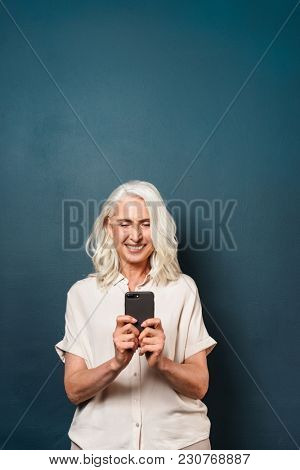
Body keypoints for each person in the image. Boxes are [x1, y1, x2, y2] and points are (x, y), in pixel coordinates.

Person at [55, 180, 217, 450]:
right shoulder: (81, 294)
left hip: (180, 445)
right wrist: (116, 362)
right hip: (98, 447)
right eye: (125, 224)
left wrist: (162, 363)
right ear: (110, 228)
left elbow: (199, 386)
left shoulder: (183, 289)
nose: (136, 236)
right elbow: (74, 389)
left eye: (146, 223)